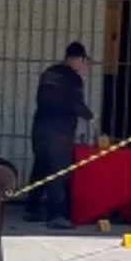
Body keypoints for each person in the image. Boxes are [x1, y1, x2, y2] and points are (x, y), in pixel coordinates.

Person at [24, 42, 94, 229]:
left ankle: (31, 208)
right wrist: (89, 115)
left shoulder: (49, 73)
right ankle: (56, 215)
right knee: (59, 172)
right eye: (84, 62)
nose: (84, 67)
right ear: (78, 59)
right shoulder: (72, 78)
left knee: (40, 167)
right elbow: (75, 103)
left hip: (40, 128)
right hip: (60, 132)